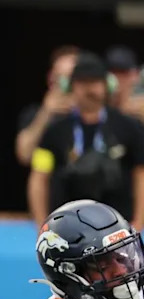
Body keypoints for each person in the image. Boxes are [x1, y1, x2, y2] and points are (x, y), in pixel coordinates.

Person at [28, 53, 144, 229]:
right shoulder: (54, 130)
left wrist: (139, 222)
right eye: (83, 83)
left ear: (107, 86)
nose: (90, 89)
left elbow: (140, 175)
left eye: (95, 82)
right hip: (67, 227)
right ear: (71, 86)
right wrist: (41, 225)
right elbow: (39, 177)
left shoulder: (128, 126)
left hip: (118, 226)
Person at [16, 46, 78, 166]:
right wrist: (46, 112)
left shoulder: (95, 112)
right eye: (63, 77)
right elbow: (24, 154)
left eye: (73, 77)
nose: (69, 84)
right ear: (51, 79)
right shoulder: (35, 113)